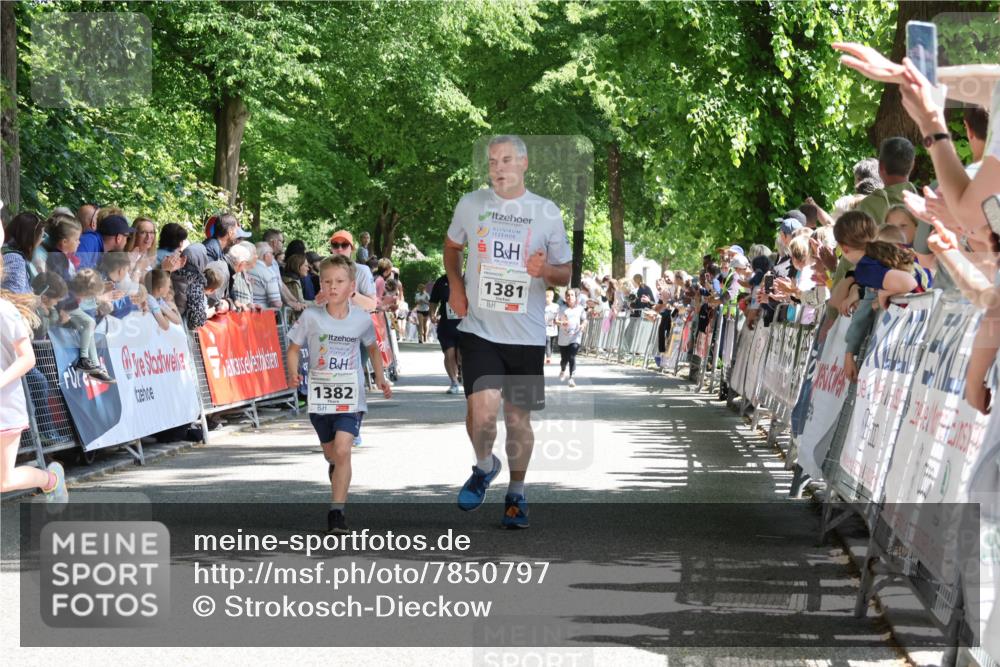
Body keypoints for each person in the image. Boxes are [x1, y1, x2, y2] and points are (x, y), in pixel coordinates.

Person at [444, 134, 572, 529]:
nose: (497, 168)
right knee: (480, 412)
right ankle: (485, 466)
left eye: (505, 161)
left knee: (518, 421)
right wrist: (456, 286)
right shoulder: (471, 204)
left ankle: (516, 494)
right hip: (480, 329)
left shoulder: (547, 212)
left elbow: (565, 274)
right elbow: (452, 247)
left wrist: (544, 272)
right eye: (492, 162)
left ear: (524, 164)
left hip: (527, 335)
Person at [285, 254, 392, 535]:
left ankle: (337, 513)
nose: (333, 287)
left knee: (344, 449)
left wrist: (380, 378)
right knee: (333, 454)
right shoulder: (311, 317)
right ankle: (335, 467)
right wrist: (294, 373)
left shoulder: (361, 319)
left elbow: (372, 349)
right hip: (320, 399)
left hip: (350, 397)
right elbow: (293, 348)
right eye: (327, 281)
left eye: (339, 281)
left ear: (351, 286)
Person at [0, 271, 68, 502]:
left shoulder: (5, 310)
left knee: (4, 481)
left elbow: (28, 358)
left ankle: (51, 480)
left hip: (4, 407)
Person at [430, 273, 463, 394]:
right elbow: (433, 300)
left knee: (460, 356)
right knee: (449, 354)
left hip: (465, 324)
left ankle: (461, 372)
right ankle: (454, 382)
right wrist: (432, 314)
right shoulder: (441, 281)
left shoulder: (468, 279)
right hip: (446, 324)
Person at [556, 288, 586, 387]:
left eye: (572, 295)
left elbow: (584, 320)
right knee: (564, 359)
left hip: (575, 336)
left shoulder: (580, 308)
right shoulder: (561, 308)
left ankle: (571, 379)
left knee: (572, 356)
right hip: (564, 337)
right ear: (565, 297)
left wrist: (582, 325)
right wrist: (562, 323)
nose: (570, 297)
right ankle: (563, 369)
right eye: (568, 295)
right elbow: (555, 321)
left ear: (575, 297)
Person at [249, 242, 284, 310]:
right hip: (262, 315)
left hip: (245, 313)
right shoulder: (269, 274)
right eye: (272, 254)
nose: (273, 257)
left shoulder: (246, 269)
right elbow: (276, 303)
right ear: (266, 256)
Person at [544, 288, 559, 364]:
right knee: (547, 341)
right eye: (546, 296)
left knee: (552, 342)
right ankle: (548, 357)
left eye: (549, 296)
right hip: (545, 327)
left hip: (553, 327)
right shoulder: (543, 306)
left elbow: (558, 316)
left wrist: (558, 321)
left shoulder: (556, 306)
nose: (547, 298)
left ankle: (549, 354)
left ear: (552, 297)